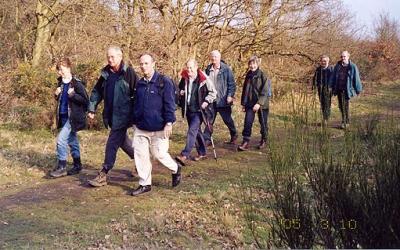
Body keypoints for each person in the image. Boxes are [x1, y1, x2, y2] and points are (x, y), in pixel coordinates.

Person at [130, 53, 182, 196]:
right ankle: (145, 183)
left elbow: (170, 103)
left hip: (160, 127)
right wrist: (134, 121)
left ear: (153, 64)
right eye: (141, 64)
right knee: (141, 156)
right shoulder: (140, 84)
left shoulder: (163, 81)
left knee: (159, 154)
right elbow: (136, 104)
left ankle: (175, 169)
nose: (143, 66)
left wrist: (169, 123)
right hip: (141, 127)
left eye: (146, 63)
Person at [87, 46, 138, 187]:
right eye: (108, 57)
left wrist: (137, 115)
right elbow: (97, 91)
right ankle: (141, 161)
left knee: (112, 143)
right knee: (122, 142)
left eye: (112, 57)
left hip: (124, 116)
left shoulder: (129, 73)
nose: (110, 59)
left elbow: (138, 93)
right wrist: (92, 107)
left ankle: (104, 173)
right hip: (110, 116)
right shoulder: (106, 74)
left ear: (120, 56)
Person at [50, 57, 89, 178]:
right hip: (63, 116)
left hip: (73, 117)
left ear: (68, 67)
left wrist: (73, 95)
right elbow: (62, 100)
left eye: (61, 69)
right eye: (58, 70)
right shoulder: (60, 83)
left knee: (61, 140)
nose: (59, 72)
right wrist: (56, 95)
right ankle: (77, 165)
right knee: (72, 140)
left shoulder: (77, 83)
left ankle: (62, 167)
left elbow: (85, 101)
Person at [175, 59, 217, 165]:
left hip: (199, 111)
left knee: (192, 131)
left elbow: (213, 92)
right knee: (197, 132)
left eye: (191, 67)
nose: (189, 70)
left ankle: (185, 154)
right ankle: (202, 153)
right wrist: (180, 92)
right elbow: (179, 89)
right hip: (189, 109)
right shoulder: (184, 78)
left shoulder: (203, 78)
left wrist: (206, 101)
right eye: (187, 67)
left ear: (196, 67)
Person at [203, 50, 238, 145]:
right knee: (209, 121)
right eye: (212, 57)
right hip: (211, 100)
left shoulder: (226, 69)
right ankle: (207, 139)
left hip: (223, 100)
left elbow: (232, 85)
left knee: (227, 120)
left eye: (216, 57)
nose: (214, 58)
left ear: (219, 57)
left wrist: (230, 96)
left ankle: (234, 134)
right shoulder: (207, 69)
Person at [238, 56, 270, 151]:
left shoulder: (263, 75)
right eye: (250, 64)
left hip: (262, 104)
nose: (252, 66)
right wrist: (244, 103)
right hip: (250, 103)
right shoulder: (248, 75)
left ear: (257, 64)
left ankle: (264, 139)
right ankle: (246, 141)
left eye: (254, 63)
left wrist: (259, 103)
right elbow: (245, 90)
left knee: (263, 122)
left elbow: (265, 91)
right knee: (247, 122)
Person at [329, 51, 363, 129]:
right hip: (339, 89)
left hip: (347, 89)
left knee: (345, 105)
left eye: (344, 56)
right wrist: (331, 86)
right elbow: (333, 77)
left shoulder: (352, 66)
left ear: (348, 57)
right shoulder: (337, 66)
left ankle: (346, 122)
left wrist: (358, 89)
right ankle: (344, 120)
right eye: (341, 56)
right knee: (341, 106)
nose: (343, 58)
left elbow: (356, 78)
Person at [312, 55, 334, 126]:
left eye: (325, 61)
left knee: (327, 104)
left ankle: (325, 119)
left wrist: (332, 88)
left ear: (328, 61)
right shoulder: (318, 69)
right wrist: (314, 86)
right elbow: (315, 78)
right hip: (320, 89)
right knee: (322, 104)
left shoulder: (331, 69)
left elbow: (334, 80)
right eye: (322, 61)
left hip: (328, 90)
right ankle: (324, 118)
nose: (323, 62)